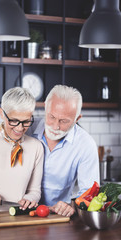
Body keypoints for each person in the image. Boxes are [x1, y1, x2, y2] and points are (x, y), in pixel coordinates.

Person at [28, 85, 100, 217]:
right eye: (51, 117)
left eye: (64, 121)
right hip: (20, 212)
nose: (55, 126)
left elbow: (90, 193)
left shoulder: (85, 144)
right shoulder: (26, 129)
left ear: (77, 119)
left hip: (58, 216)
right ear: (45, 107)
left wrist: (71, 206)